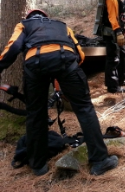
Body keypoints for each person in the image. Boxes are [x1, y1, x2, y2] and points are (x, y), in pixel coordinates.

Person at [0, 9, 118, 176]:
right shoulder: (62, 25)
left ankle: (38, 165)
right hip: (66, 62)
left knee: (36, 114)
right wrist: (70, 72)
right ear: (46, 17)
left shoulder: (23, 25)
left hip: (35, 65)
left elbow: (13, 49)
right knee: (84, 108)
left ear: (29, 17)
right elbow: (80, 54)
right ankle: (100, 161)